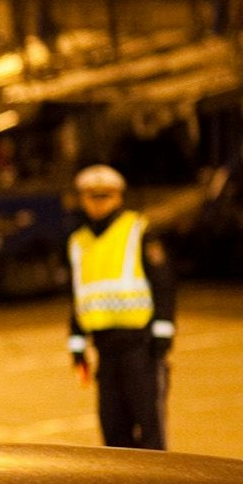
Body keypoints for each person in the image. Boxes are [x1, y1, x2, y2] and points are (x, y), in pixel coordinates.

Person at [65, 164, 176, 449]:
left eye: (105, 196)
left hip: (140, 347)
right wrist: (77, 345)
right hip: (105, 350)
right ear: (82, 199)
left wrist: (163, 334)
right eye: (92, 196)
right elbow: (80, 295)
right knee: (113, 431)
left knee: (150, 430)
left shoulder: (138, 230)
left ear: (119, 197)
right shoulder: (79, 241)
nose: (98, 203)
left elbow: (163, 284)